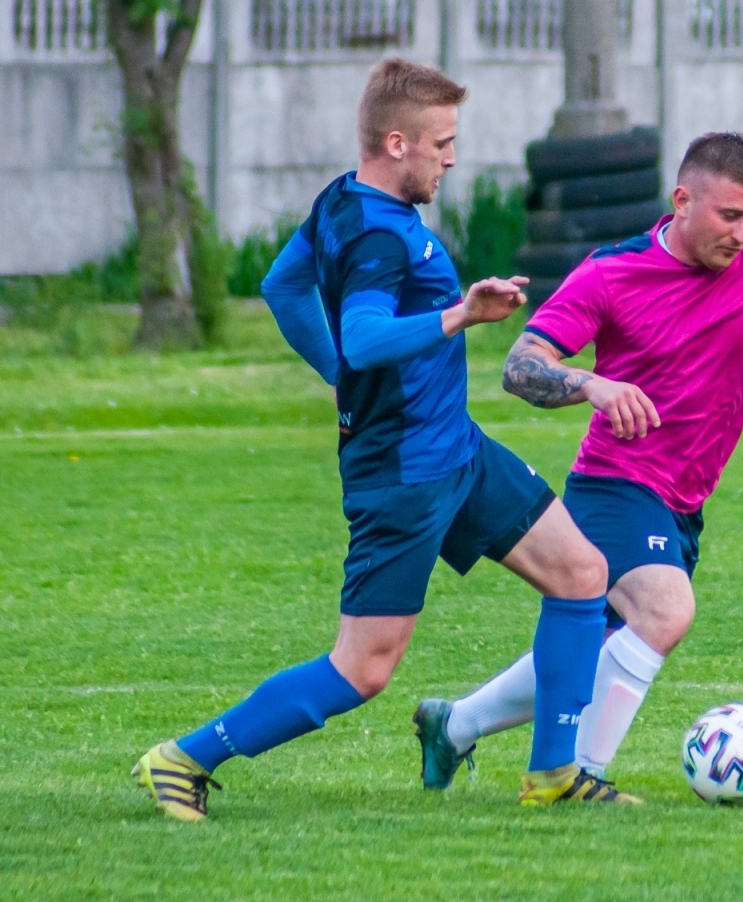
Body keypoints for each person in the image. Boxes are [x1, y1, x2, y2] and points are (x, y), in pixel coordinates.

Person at [133, 57, 631, 818]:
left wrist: (335, 369)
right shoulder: (378, 237)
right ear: (396, 143)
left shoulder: (340, 200)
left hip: (454, 451)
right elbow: (365, 338)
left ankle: (555, 773)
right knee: (364, 668)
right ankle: (183, 758)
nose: (452, 158)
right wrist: (457, 316)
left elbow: (282, 285)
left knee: (582, 574)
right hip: (403, 475)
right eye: (442, 143)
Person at [410, 131, 743, 792]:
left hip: (684, 496)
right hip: (616, 483)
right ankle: (574, 777)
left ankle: (454, 725)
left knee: (590, 647)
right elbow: (522, 365)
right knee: (665, 611)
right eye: (731, 216)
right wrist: (591, 383)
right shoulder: (612, 273)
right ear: (682, 200)